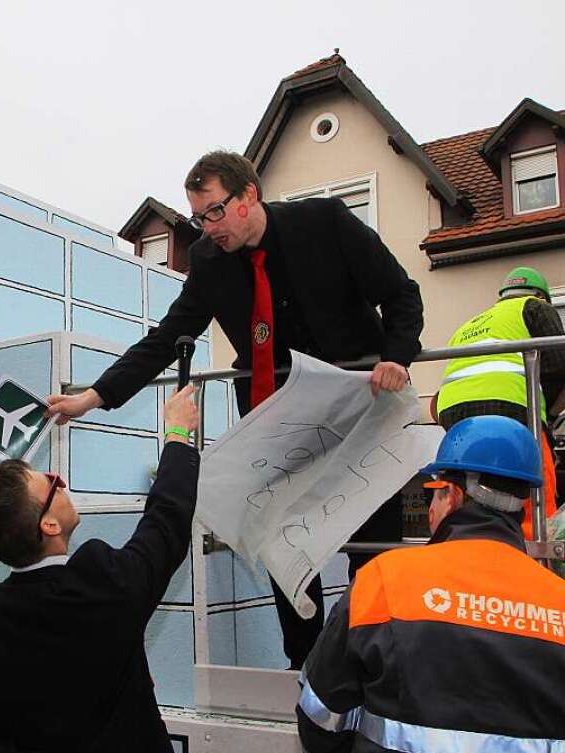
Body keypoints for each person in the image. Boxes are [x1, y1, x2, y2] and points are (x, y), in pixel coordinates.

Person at [47, 150, 424, 669]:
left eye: (216, 212)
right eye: (199, 218)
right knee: (276, 536)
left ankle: (375, 661)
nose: (208, 228)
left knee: (369, 545)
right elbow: (167, 337)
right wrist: (95, 395)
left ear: (249, 195)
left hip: (361, 408)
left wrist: (396, 359)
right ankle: (306, 664)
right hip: (279, 425)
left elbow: (403, 295)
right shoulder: (208, 260)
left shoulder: (326, 223)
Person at [0, 385, 200, 753]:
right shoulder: (99, 585)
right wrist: (178, 434)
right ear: (49, 525)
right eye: (50, 483)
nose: (60, 479)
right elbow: (167, 522)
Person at [297, 415, 565, 753]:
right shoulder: (558, 602)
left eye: (433, 496)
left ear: (452, 496)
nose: (430, 509)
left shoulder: (383, 580)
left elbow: (318, 717)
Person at [435, 266, 565, 535]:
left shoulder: (472, 323)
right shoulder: (534, 307)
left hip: (453, 415)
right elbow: (558, 366)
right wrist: (548, 419)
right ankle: (536, 556)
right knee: (531, 488)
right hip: (510, 406)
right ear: (540, 295)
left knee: (465, 489)